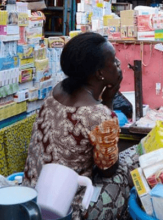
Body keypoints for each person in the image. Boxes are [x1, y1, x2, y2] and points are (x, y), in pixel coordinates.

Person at [22, 32, 138, 219]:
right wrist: (108, 101)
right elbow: (107, 168)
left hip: (31, 197)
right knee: (124, 170)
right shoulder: (99, 116)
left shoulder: (57, 90)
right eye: (114, 61)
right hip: (65, 208)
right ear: (100, 73)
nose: (118, 64)